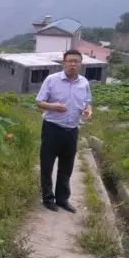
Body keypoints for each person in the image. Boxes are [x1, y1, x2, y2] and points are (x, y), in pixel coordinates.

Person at [35, 49, 92, 213]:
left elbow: (87, 103)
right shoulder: (52, 80)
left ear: (80, 64)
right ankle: (47, 198)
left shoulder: (84, 83)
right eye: (70, 61)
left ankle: (62, 199)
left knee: (67, 167)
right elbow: (39, 102)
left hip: (72, 130)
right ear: (64, 63)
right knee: (47, 165)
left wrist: (89, 110)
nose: (73, 64)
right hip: (52, 128)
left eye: (76, 61)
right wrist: (53, 106)